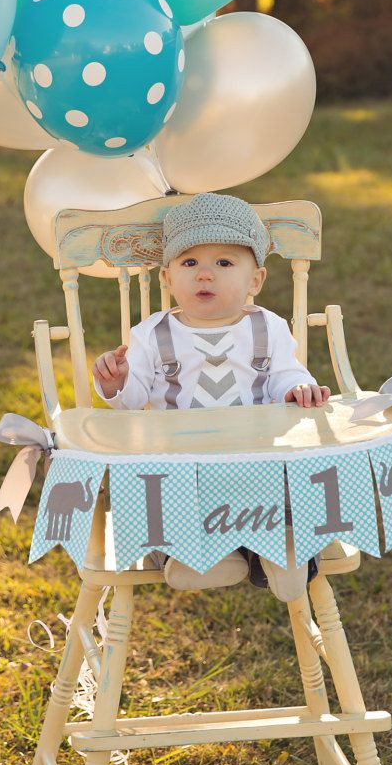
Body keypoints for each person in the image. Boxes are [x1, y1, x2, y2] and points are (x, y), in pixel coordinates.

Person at [92, 191, 331, 601]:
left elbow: (284, 373)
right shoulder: (152, 333)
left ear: (254, 280)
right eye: (190, 263)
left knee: (286, 480)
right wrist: (116, 383)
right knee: (157, 490)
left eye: (223, 263)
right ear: (167, 278)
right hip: (181, 461)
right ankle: (186, 556)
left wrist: (297, 388)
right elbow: (133, 401)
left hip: (252, 456)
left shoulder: (267, 327)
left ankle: (279, 552)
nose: (205, 275)